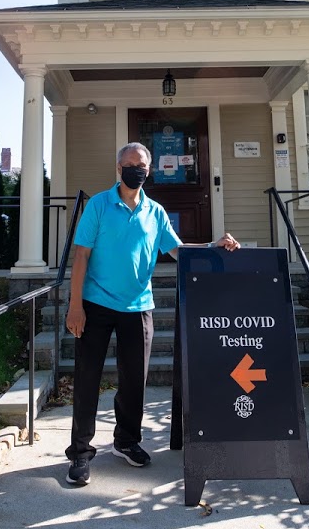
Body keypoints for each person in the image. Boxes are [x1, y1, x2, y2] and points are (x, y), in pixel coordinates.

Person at [64, 141, 240, 486]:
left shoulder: (155, 212)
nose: (137, 171)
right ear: (119, 169)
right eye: (130, 165)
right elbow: (81, 257)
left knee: (134, 382)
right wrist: (75, 306)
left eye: (142, 165)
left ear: (150, 169)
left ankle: (126, 442)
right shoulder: (98, 205)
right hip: (96, 306)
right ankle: (81, 453)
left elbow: (178, 251)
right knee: (87, 380)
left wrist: (213, 246)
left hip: (138, 307)